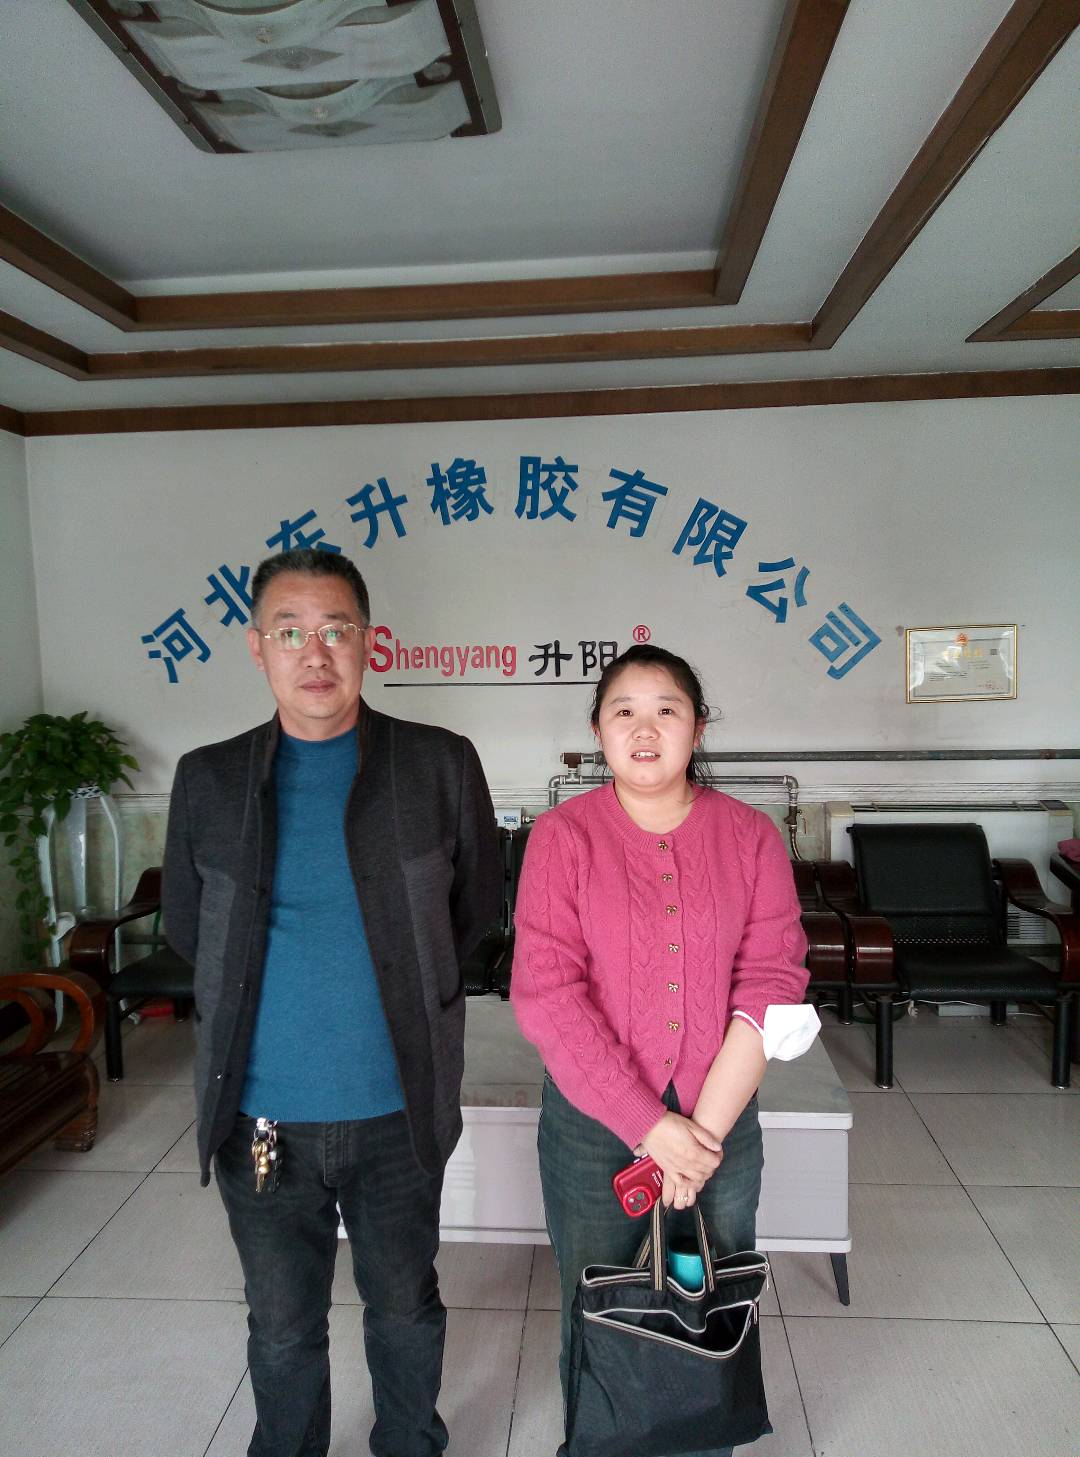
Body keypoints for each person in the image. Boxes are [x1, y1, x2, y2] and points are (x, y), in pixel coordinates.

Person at [163, 547, 502, 1457]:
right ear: (257, 647)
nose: (314, 653)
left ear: (368, 640)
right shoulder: (208, 779)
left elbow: (474, 910)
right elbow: (193, 930)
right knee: (281, 1326)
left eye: (335, 629)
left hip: (398, 1113)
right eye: (290, 632)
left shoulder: (437, 763)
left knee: (405, 1306)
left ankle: (409, 1443)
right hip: (261, 1122)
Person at [510, 644, 817, 1457]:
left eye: (666, 710)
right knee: (598, 1303)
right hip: (593, 1128)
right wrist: (652, 1128)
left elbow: (772, 981)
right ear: (598, 731)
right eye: (624, 711)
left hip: (719, 1125)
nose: (644, 729)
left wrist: (698, 1135)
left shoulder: (750, 836)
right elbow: (548, 992)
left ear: (697, 727)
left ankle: (701, 1439)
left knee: (701, 1294)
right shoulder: (562, 837)